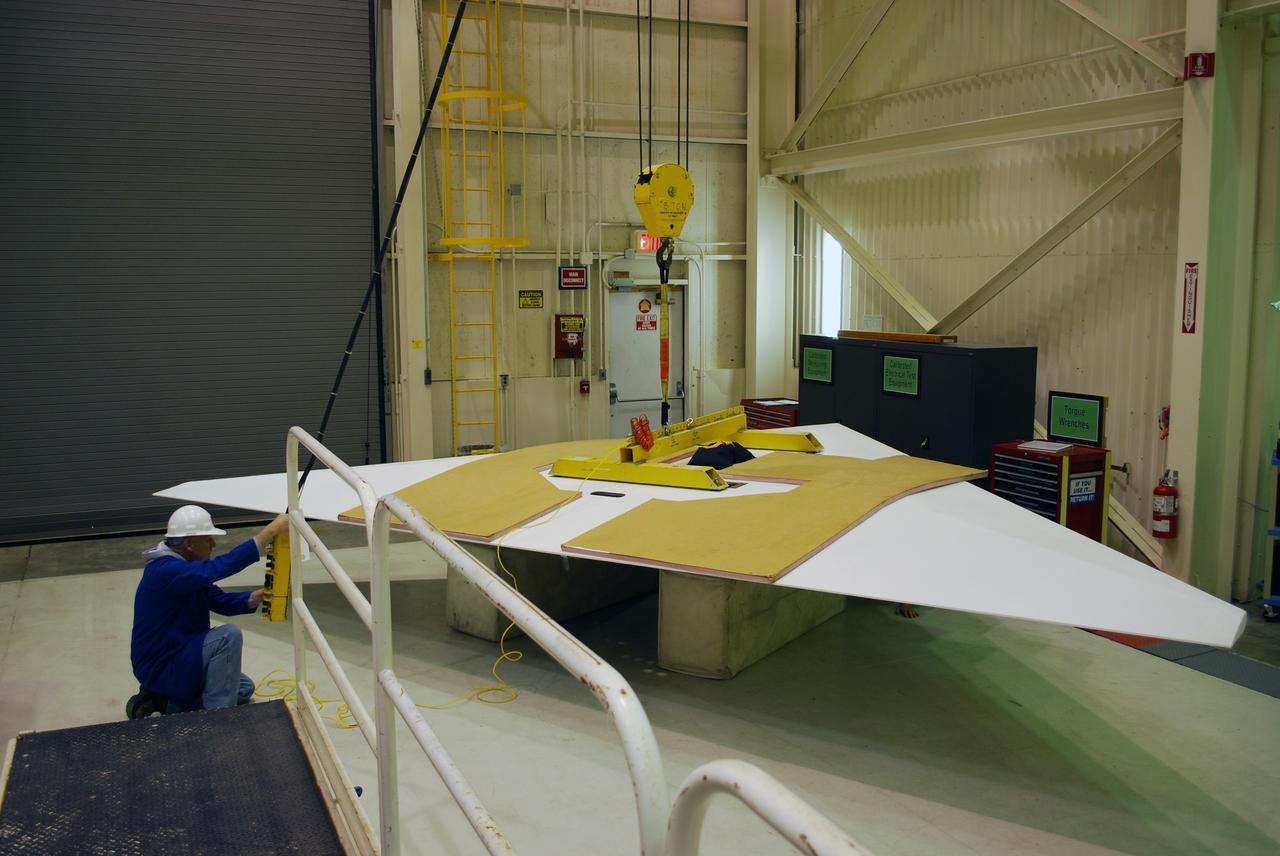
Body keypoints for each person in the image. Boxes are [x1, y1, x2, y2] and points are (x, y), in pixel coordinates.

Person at [126, 505, 290, 718]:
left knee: (243, 688)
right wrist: (270, 532)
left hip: (179, 653)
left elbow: (221, 601)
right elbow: (220, 567)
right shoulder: (167, 571)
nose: (213, 544)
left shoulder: (184, 568)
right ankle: (217, 722)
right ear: (190, 544)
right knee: (227, 637)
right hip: (163, 666)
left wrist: (263, 594)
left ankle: (167, 700)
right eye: (208, 539)